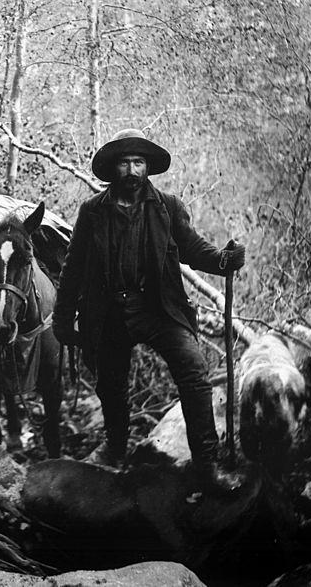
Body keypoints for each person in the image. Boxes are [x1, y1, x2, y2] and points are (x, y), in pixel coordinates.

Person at [52, 128, 246, 493]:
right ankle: (114, 449)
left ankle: (207, 464)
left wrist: (222, 260)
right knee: (110, 384)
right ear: (113, 169)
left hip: (158, 308)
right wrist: (63, 319)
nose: (131, 170)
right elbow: (73, 266)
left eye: (138, 162)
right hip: (108, 311)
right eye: (124, 162)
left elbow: (190, 247)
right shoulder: (92, 211)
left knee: (193, 370)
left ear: (148, 168)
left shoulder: (167, 207)